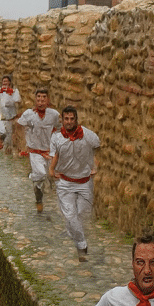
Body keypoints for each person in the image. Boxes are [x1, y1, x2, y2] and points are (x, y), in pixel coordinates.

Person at [48, 106, 100, 260]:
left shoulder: (87, 134)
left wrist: (95, 166)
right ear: (62, 120)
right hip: (65, 182)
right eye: (66, 119)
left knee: (82, 215)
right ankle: (82, 246)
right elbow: (55, 155)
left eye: (72, 119)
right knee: (71, 215)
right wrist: (51, 170)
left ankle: (73, 231)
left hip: (84, 183)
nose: (69, 122)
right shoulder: (56, 138)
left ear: (76, 120)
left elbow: (96, 148)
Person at [17, 88, 60, 213]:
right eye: (38, 97)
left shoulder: (54, 115)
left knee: (47, 177)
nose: (41, 100)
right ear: (35, 99)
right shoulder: (28, 114)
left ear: (48, 100)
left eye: (43, 98)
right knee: (40, 174)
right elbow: (19, 127)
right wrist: (22, 143)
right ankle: (34, 178)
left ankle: (38, 195)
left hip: (48, 152)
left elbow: (59, 128)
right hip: (34, 151)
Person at [0, 75, 21, 152]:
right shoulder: (0, 91)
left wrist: (10, 94)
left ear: (9, 82)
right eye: (3, 81)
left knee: (9, 133)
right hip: (0, 114)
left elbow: (17, 100)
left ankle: (5, 148)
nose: (5, 83)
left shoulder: (15, 91)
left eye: (6, 81)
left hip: (10, 116)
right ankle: (1, 144)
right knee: (2, 130)